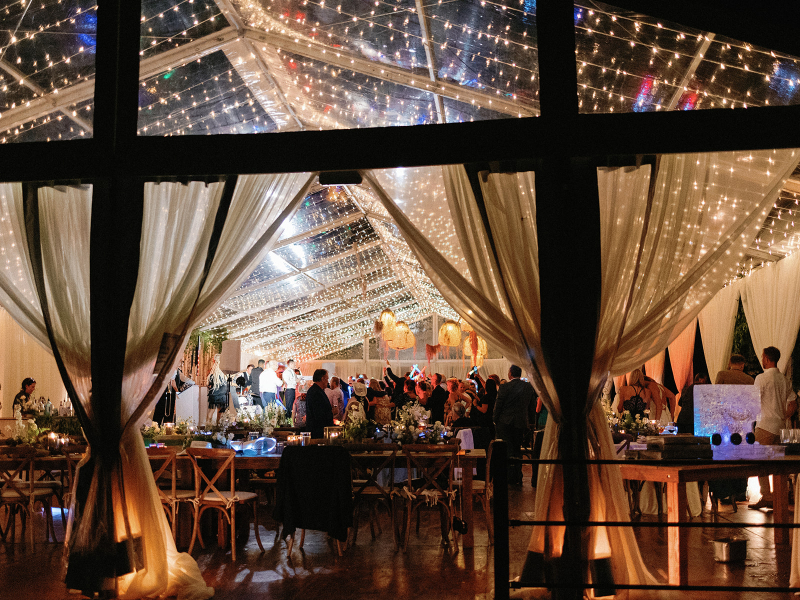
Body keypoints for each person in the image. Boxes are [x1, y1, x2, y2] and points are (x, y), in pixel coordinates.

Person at [749, 347, 798, 510]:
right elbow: (793, 403)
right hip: (780, 427)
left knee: (759, 462)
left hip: (765, 425)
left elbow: (753, 401)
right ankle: (779, 497)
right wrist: (783, 416)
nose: (762, 359)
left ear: (767, 359)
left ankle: (768, 496)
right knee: (778, 464)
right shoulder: (784, 380)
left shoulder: (761, 378)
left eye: (762, 357)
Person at [493, 365, 536, 487]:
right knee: (517, 449)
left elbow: (498, 405)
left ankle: (509, 476)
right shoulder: (528, 387)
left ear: (510, 374)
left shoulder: (504, 387)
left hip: (505, 422)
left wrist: (495, 420)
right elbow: (531, 406)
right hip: (520, 422)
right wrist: (530, 422)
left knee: (507, 449)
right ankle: (518, 474)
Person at [305, 369, 334, 439]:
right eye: (327, 379)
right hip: (317, 431)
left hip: (319, 429)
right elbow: (318, 413)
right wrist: (332, 412)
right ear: (322, 379)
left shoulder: (317, 390)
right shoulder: (316, 392)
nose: (328, 381)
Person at [206, 355, 228, 425]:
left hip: (213, 394)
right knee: (220, 413)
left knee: (211, 411)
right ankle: (219, 428)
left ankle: (208, 427)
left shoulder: (212, 371)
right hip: (222, 394)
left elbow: (208, 384)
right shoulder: (224, 371)